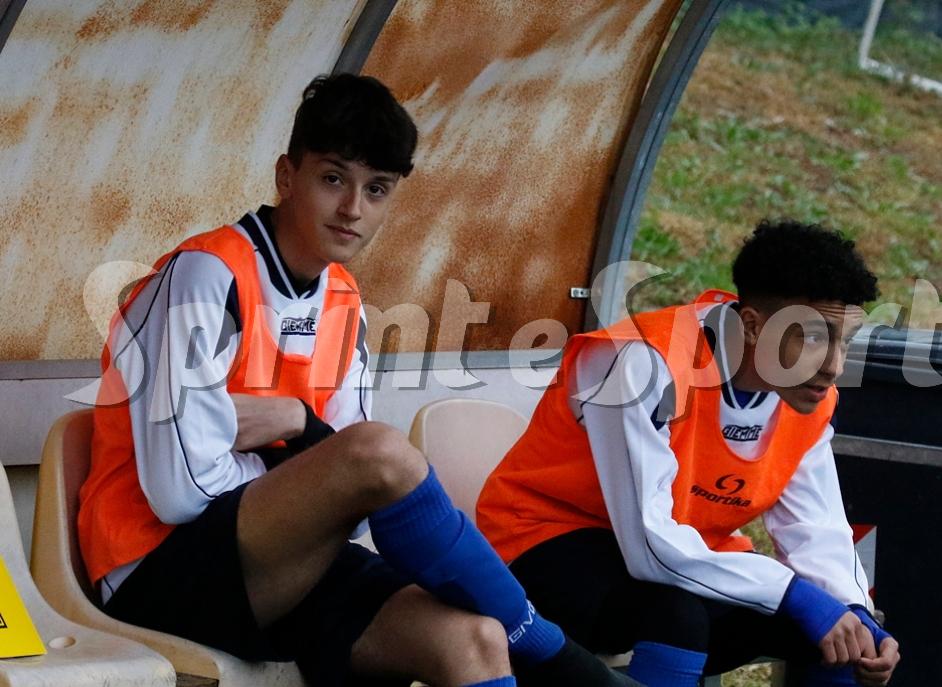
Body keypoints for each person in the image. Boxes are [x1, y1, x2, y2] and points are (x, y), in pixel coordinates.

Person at [78, 73, 637, 687]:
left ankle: (537, 644)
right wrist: (312, 468)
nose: (353, 209)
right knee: (377, 450)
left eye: (377, 189)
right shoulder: (205, 275)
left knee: (472, 640)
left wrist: (298, 427)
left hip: (284, 565)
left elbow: (360, 501)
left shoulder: (344, 300)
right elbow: (182, 493)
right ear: (287, 176)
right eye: (333, 179)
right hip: (157, 568)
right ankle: (560, 658)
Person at [477, 220, 902, 687]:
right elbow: (649, 546)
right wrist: (797, 596)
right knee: (678, 615)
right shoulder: (641, 361)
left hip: (677, 558)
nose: (835, 366)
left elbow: (817, 530)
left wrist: (854, 611)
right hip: (539, 548)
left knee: (835, 636)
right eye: (815, 338)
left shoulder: (808, 395)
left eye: (845, 340)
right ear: (754, 325)